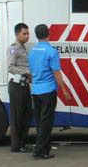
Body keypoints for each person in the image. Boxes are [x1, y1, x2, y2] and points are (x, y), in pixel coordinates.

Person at [28, 24, 71, 160]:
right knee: (47, 121)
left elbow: (31, 73)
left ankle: (44, 147)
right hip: (48, 90)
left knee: (40, 121)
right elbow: (56, 72)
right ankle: (40, 150)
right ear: (49, 34)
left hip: (36, 90)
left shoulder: (32, 51)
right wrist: (64, 90)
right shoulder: (51, 51)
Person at [8, 23, 33, 153]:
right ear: (17, 34)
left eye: (28, 33)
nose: (27, 36)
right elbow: (11, 67)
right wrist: (26, 72)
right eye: (24, 33)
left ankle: (23, 143)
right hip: (16, 85)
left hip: (24, 85)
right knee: (17, 117)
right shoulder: (14, 49)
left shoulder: (24, 48)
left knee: (27, 115)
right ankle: (16, 145)